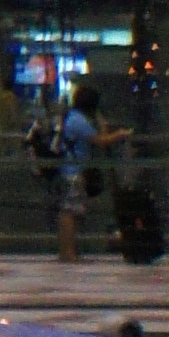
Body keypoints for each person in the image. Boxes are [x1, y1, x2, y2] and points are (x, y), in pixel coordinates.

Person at [55, 77, 109, 265]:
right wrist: (116, 134)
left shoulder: (73, 117)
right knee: (70, 212)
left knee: (71, 211)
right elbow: (101, 140)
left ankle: (68, 251)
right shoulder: (78, 121)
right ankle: (68, 253)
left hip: (71, 170)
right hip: (73, 171)